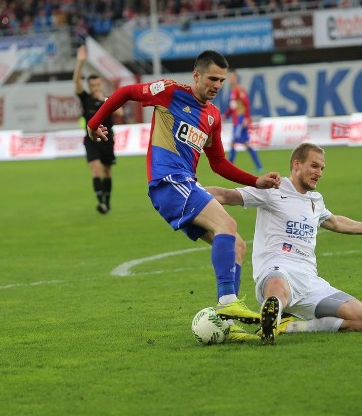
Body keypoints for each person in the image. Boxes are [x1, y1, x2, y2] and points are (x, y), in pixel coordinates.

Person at [86, 50, 282, 340]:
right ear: (196, 75)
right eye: (212, 78)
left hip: (186, 185)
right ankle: (229, 303)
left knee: (236, 244)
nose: (217, 85)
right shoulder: (169, 92)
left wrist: (256, 181)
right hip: (168, 182)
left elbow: (218, 163)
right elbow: (127, 92)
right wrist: (93, 123)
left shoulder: (213, 117)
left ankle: (226, 325)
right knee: (227, 224)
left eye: (222, 80)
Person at [206, 142, 362, 345]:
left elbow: (336, 222)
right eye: (314, 166)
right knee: (278, 286)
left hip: (309, 281)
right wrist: (186, 190)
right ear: (297, 164)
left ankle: (290, 326)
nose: (319, 172)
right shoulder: (272, 189)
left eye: (321, 168)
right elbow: (225, 195)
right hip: (275, 271)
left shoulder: (315, 200)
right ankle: (273, 314)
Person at [74, 45, 120, 214]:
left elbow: (120, 112)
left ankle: (107, 202)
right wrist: (80, 62)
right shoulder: (85, 98)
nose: (95, 87)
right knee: (95, 170)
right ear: (89, 85)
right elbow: (76, 82)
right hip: (91, 140)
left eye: (98, 84)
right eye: (92, 85)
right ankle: (100, 202)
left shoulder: (107, 99)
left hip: (107, 139)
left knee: (107, 172)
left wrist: (105, 100)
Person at [223, 69, 263, 171]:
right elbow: (233, 107)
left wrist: (247, 118)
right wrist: (225, 116)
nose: (230, 79)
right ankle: (259, 166)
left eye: (232, 77)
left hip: (241, 120)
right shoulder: (232, 91)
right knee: (245, 142)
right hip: (237, 120)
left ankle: (228, 167)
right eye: (229, 77)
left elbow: (246, 105)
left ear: (236, 78)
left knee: (234, 142)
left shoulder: (239, 90)